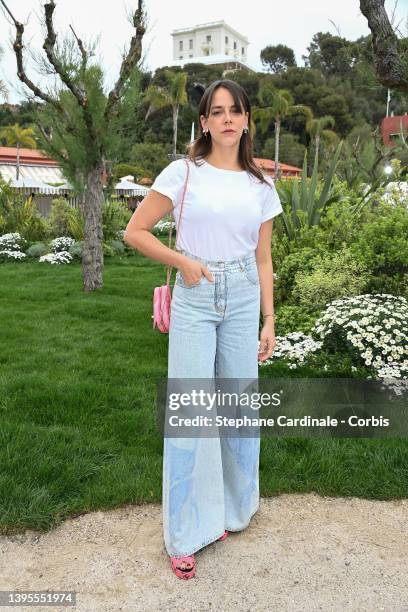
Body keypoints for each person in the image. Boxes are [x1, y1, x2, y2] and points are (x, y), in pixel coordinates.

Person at [123, 79, 283, 580]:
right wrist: (182, 262)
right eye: (218, 111)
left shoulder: (262, 186)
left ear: (247, 119)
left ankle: (236, 511)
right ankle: (185, 533)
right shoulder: (182, 173)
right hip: (195, 293)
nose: (228, 119)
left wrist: (270, 317)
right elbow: (135, 231)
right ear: (205, 122)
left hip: (241, 296)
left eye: (236, 110)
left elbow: (263, 257)